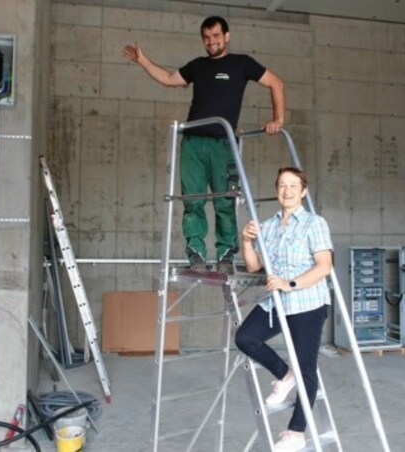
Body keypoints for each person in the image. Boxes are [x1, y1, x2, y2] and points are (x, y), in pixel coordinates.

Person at [122, 16, 285, 273]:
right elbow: (167, 78)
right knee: (193, 201)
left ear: (227, 36)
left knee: (224, 201)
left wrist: (278, 119)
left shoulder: (242, 64)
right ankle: (196, 254)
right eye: (207, 37)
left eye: (216, 36)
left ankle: (225, 257)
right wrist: (142, 60)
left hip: (223, 144)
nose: (211, 42)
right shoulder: (198, 66)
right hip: (193, 144)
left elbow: (276, 83)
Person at [234, 167, 332, 452]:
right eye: (282, 185)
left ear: (303, 191)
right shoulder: (270, 225)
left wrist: (290, 283)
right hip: (276, 303)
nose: (287, 190)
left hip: (307, 303)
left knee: (306, 369)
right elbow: (254, 267)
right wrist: (247, 240)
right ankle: (284, 376)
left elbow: (324, 266)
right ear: (277, 189)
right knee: (245, 338)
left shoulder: (314, 223)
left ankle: (296, 431)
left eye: (293, 185)